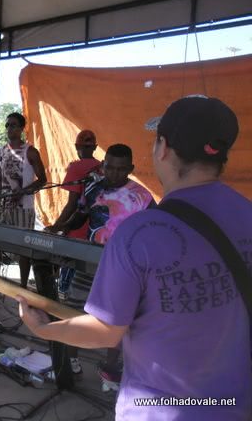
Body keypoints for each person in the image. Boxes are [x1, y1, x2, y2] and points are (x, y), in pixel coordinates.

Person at [18, 96, 250, 420]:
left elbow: (105, 332)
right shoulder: (247, 213)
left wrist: (44, 329)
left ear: (163, 148)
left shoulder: (139, 232)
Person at [58, 143, 154, 379]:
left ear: (131, 169)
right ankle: (72, 361)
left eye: (121, 169)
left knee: (118, 319)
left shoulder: (143, 197)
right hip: (90, 262)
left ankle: (110, 367)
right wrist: (61, 227)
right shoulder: (93, 188)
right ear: (103, 165)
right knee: (75, 312)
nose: (114, 173)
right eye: (109, 167)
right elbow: (80, 216)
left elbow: (155, 231)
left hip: (123, 269)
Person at [0, 112, 47, 291]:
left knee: (23, 248)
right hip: (4, 206)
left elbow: (42, 180)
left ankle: (23, 287)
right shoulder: (1, 151)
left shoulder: (30, 151)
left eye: (14, 125)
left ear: (22, 128)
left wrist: (23, 191)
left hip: (24, 208)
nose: (10, 128)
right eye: (7, 125)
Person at [47, 130, 102, 300]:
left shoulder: (76, 167)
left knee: (68, 285)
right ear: (95, 147)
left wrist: (57, 226)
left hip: (77, 229)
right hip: (95, 231)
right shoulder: (101, 167)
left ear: (77, 146)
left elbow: (72, 204)